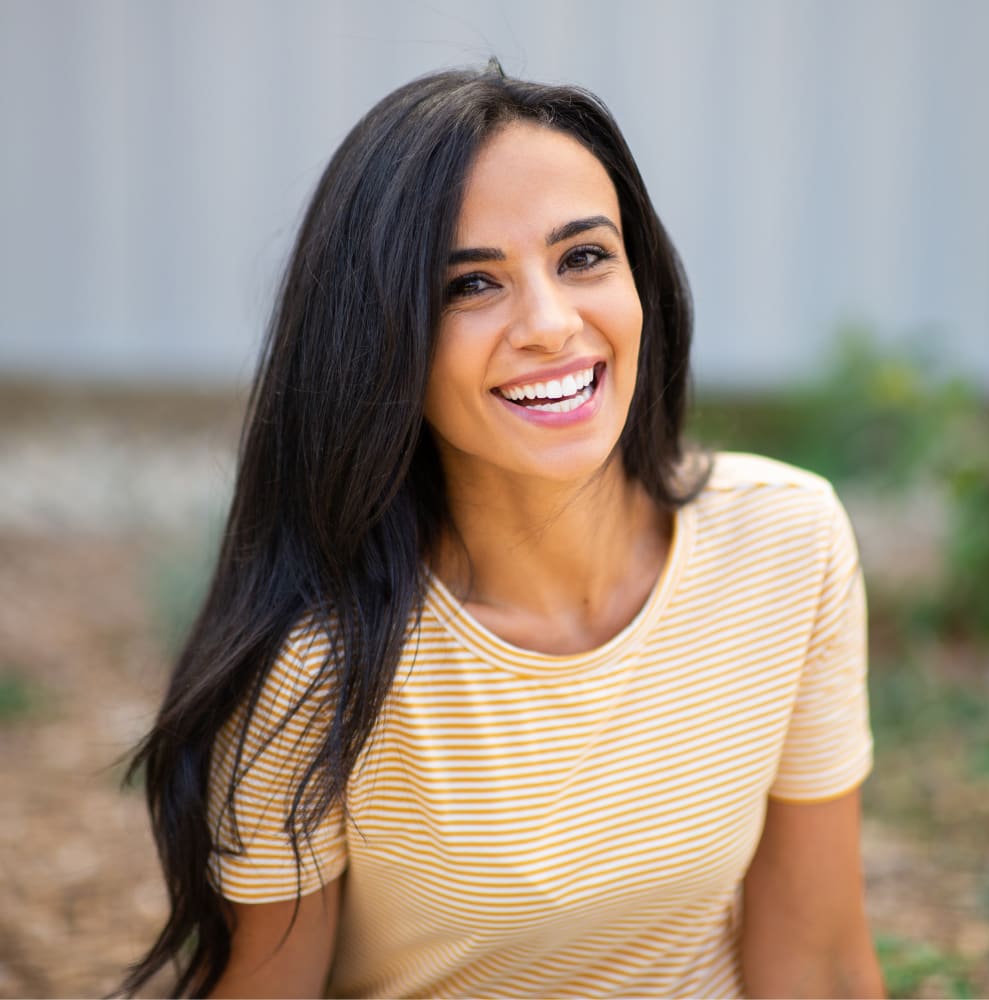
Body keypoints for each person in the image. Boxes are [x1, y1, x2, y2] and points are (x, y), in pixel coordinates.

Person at [121, 64, 883, 999]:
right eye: (473, 283)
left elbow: (818, 957)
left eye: (584, 257)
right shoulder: (320, 659)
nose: (552, 324)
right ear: (380, 340)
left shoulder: (785, 541)